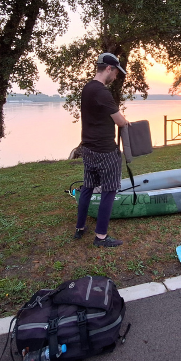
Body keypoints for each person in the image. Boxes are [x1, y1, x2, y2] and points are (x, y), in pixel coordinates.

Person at [74, 52, 130, 248]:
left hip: (88, 148)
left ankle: (80, 228)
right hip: (105, 150)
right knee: (109, 190)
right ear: (109, 68)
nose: (116, 77)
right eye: (115, 72)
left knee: (88, 187)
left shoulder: (87, 88)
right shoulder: (102, 92)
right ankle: (101, 237)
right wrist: (125, 122)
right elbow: (120, 121)